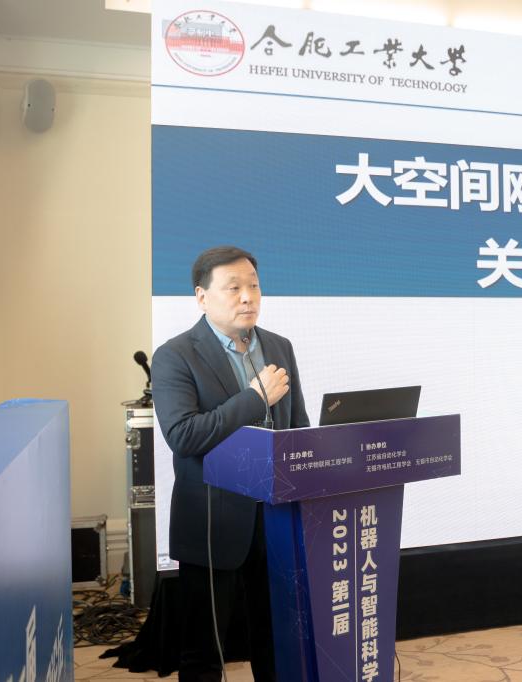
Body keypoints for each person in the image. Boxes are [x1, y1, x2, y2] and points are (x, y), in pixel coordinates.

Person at [151, 245, 309, 682]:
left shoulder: (279, 346)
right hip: (212, 519)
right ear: (202, 297)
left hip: (276, 517)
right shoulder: (175, 355)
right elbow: (184, 435)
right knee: (204, 650)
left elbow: (297, 425)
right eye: (234, 287)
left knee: (277, 640)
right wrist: (254, 398)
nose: (248, 297)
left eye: (254, 286)